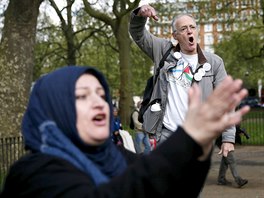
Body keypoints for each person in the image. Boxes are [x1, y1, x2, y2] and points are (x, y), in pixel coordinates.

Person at [0, 65, 249, 197]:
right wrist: (187, 136)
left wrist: (202, 143)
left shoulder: (117, 156)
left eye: (101, 94)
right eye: (82, 96)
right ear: (55, 109)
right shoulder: (33, 174)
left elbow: (171, 188)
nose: (99, 102)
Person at [129, 4, 236, 159]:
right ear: (175, 35)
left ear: (197, 31)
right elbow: (138, 35)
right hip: (166, 135)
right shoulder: (163, 51)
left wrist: (228, 137)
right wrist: (139, 15)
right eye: (184, 29)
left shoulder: (214, 63)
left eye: (192, 27)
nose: (189, 31)